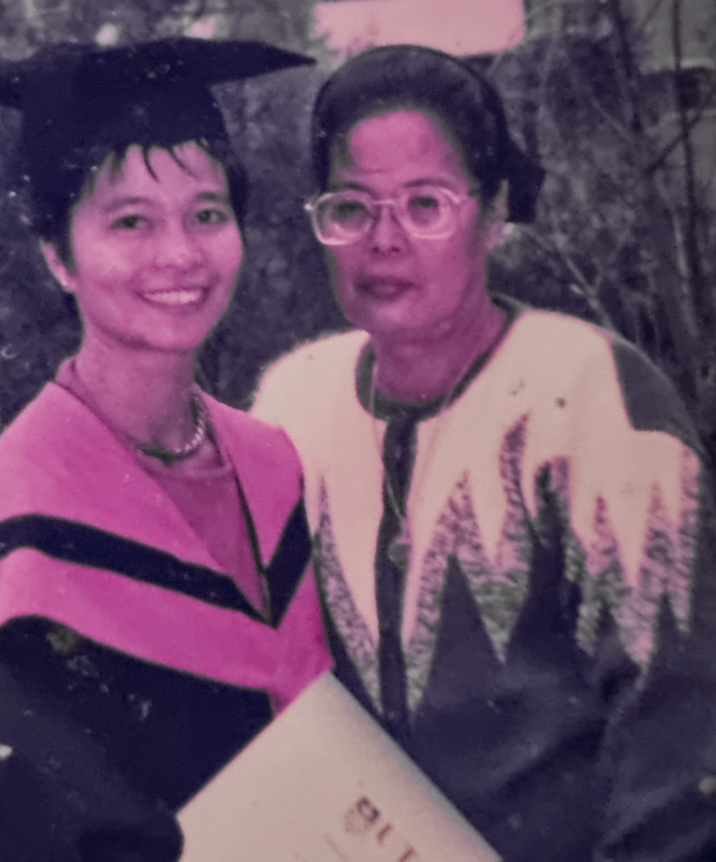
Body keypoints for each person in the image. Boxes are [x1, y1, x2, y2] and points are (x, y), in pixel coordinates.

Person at [254, 44, 716, 862]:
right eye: (351, 208)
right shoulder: (292, 407)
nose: (385, 240)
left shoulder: (591, 395)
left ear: (495, 211)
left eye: (425, 204)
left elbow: (677, 743)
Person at [0, 38, 331, 862]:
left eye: (207, 213)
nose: (179, 253)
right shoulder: (7, 517)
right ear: (58, 256)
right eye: (131, 221)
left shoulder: (272, 463)